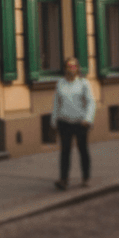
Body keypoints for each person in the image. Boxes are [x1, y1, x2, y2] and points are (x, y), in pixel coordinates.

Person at [50, 56, 95, 190]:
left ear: (78, 68)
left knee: (83, 150)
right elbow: (56, 103)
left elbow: (91, 102)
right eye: (69, 66)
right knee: (65, 151)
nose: (72, 69)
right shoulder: (60, 83)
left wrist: (88, 119)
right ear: (65, 68)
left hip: (80, 122)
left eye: (74, 66)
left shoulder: (83, 83)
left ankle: (86, 177)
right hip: (64, 122)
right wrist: (54, 120)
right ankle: (63, 179)